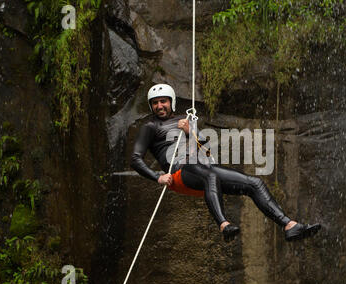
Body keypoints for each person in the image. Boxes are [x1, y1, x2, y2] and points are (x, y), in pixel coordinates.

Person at [131, 84, 321, 242]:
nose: (159, 106)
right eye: (155, 103)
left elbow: (203, 146)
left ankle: (289, 225)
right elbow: (135, 159)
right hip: (180, 173)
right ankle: (224, 225)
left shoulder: (185, 120)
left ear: (171, 101)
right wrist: (157, 177)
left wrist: (190, 131)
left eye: (163, 101)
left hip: (201, 168)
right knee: (209, 174)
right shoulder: (151, 126)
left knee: (254, 183)